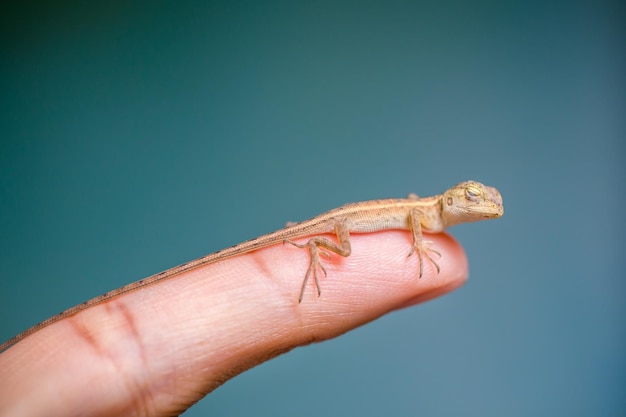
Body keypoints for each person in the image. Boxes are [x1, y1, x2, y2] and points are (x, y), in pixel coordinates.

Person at [0, 230, 468, 416]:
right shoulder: (420, 215)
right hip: (338, 226)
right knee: (340, 252)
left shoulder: (421, 211)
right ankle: (311, 248)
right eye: (473, 197)